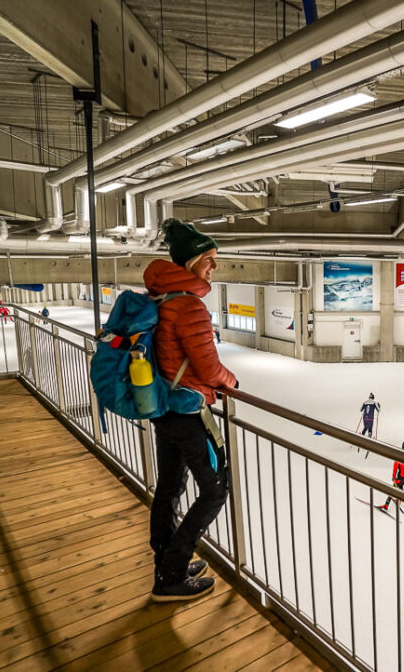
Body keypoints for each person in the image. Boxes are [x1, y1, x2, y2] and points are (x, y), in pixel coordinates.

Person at [145, 219, 238, 602]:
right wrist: (231, 383)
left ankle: (167, 562)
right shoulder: (189, 306)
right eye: (209, 259)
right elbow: (208, 368)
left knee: (169, 486)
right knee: (216, 490)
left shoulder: (161, 297)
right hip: (185, 412)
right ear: (190, 261)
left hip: (162, 407)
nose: (213, 267)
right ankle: (172, 572)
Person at [379, 442, 404, 512]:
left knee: (393, 489)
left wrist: (393, 477)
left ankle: (386, 505)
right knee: (401, 485)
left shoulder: (400, 455)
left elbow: (395, 467)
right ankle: (399, 500)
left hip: (402, 476)